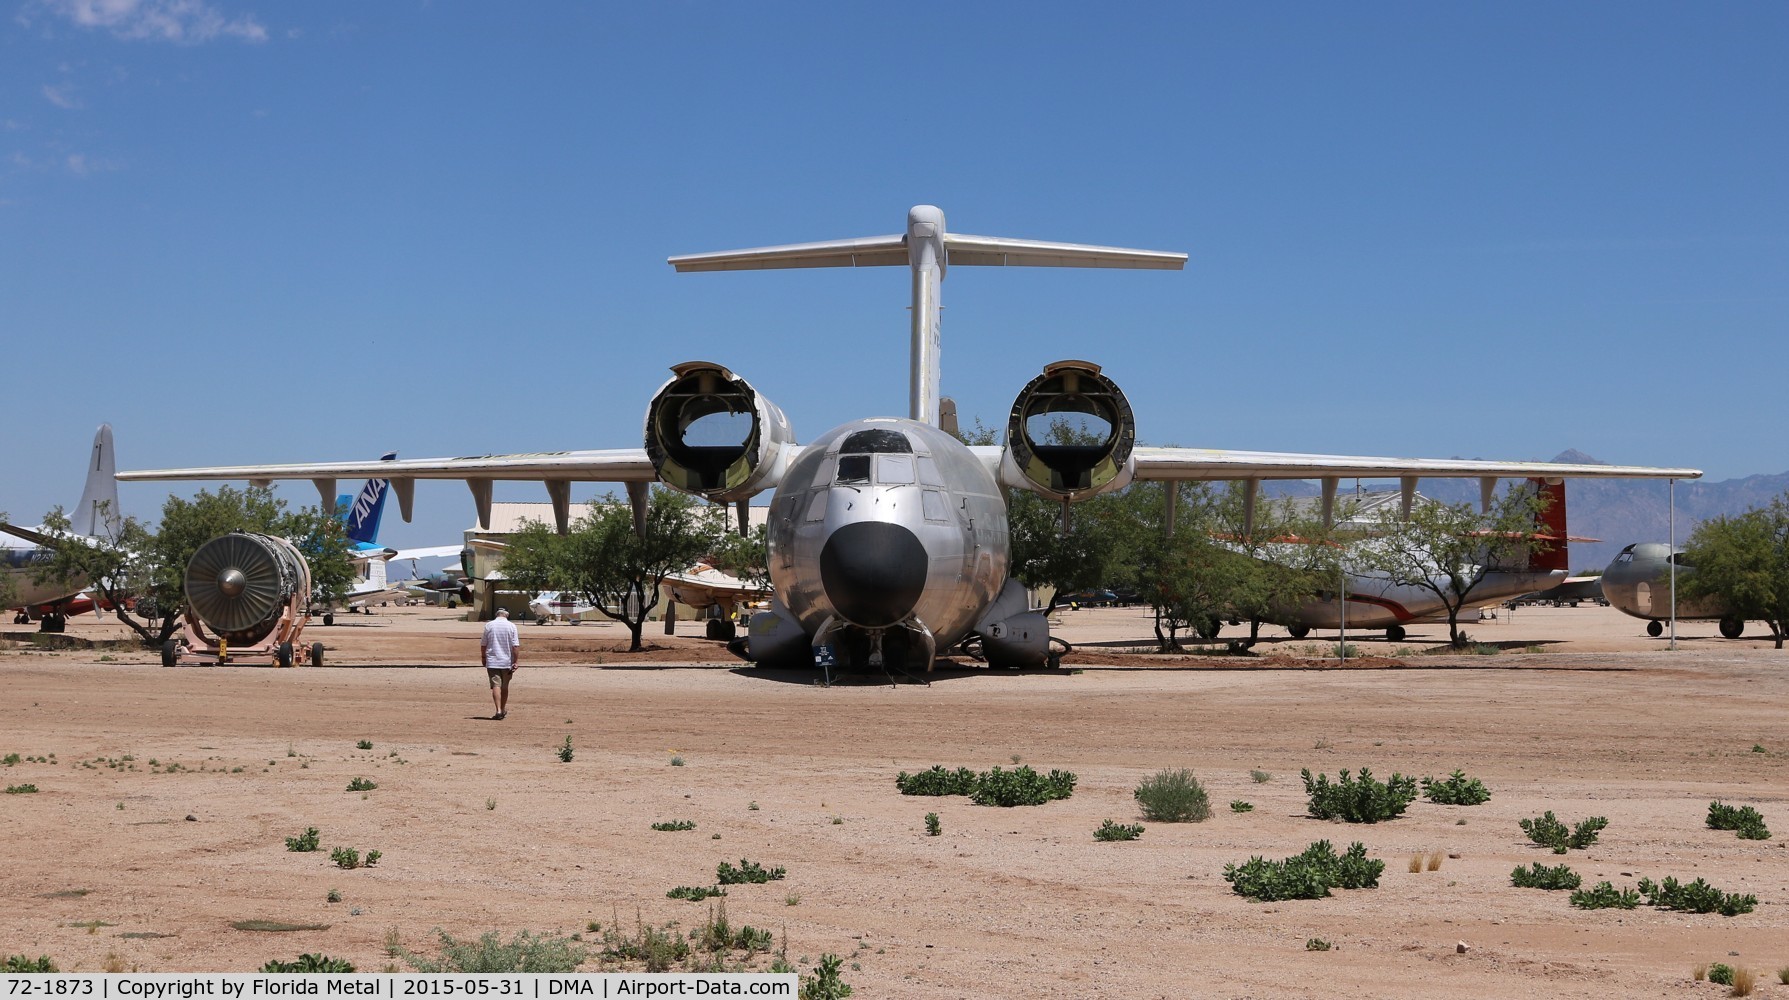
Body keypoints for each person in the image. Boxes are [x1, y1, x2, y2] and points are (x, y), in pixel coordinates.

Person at [482, 607, 521, 719]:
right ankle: (502, 709)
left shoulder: (489, 625)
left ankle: (498, 710)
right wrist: (516, 661)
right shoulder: (512, 626)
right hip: (506, 661)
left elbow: (483, 644)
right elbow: (515, 646)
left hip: (493, 660)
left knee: (495, 685)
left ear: (497, 614)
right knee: (504, 686)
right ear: (507, 615)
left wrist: (483, 657)